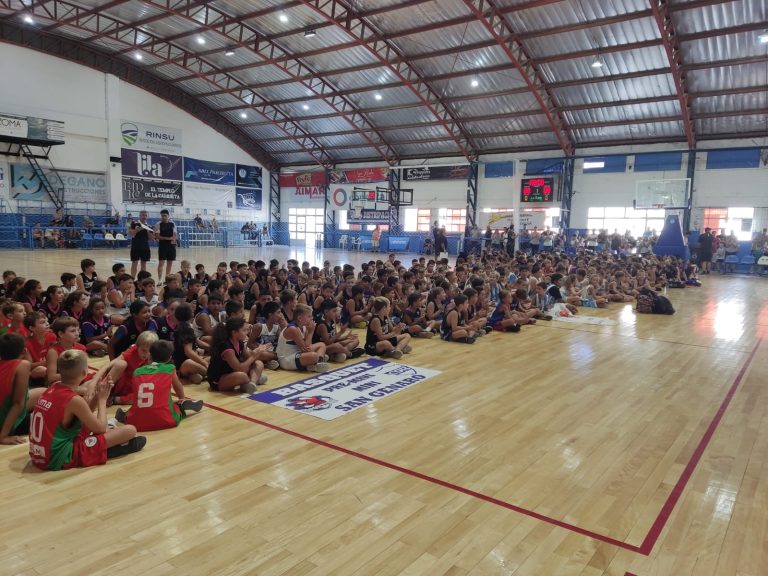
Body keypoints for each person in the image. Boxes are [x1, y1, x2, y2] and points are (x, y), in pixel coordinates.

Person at [29, 349, 145, 471]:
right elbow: (100, 428)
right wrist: (102, 399)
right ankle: (107, 450)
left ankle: (104, 446)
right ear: (85, 372)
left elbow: (82, 415)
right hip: (57, 458)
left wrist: (98, 394)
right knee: (130, 430)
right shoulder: (73, 400)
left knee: (98, 426)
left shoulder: (54, 386)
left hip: (39, 454)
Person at [115, 340, 203, 431]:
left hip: (136, 423)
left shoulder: (137, 371)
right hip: (166, 420)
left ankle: (126, 415)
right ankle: (180, 404)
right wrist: (182, 397)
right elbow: (178, 386)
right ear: (169, 359)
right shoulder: (170, 368)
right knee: (174, 408)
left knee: (136, 409)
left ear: (150, 355)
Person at [0, 333, 44, 444]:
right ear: (24, 351)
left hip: (5, 406)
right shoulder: (23, 365)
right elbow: (17, 404)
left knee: (44, 391)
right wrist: (3, 437)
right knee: (54, 417)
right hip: (5, 421)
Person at [207, 317, 267, 393]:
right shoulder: (226, 347)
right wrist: (253, 356)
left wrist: (258, 351)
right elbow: (240, 368)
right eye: (244, 330)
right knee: (242, 376)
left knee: (259, 363)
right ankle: (254, 379)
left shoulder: (240, 342)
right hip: (218, 380)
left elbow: (249, 359)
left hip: (232, 372)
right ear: (234, 332)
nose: (247, 333)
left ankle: (252, 383)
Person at [275, 304, 331, 372]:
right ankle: (316, 362)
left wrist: (309, 332)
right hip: (286, 359)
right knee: (313, 356)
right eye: (309, 316)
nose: (312, 318)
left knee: (322, 345)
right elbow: (306, 350)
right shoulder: (293, 329)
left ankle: (316, 364)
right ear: (300, 318)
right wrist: (311, 332)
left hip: (298, 354)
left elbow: (308, 346)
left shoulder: (304, 327)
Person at [128, 210, 154, 278]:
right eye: (142, 215)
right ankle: (132, 279)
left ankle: (142, 280)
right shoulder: (134, 223)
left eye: (145, 215)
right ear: (139, 216)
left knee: (144, 265)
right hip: (135, 247)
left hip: (145, 247)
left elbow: (151, 238)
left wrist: (148, 230)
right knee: (134, 264)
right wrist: (138, 229)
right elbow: (131, 233)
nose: (144, 217)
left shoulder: (149, 226)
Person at [155, 209, 177, 280]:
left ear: (168, 216)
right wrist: (167, 238)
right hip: (162, 246)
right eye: (162, 216)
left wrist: (173, 240)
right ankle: (159, 280)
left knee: (169, 263)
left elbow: (174, 235)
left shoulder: (172, 224)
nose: (163, 217)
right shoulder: (158, 224)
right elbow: (157, 236)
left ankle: (167, 279)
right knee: (161, 263)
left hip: (171, 246)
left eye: (165, 216)